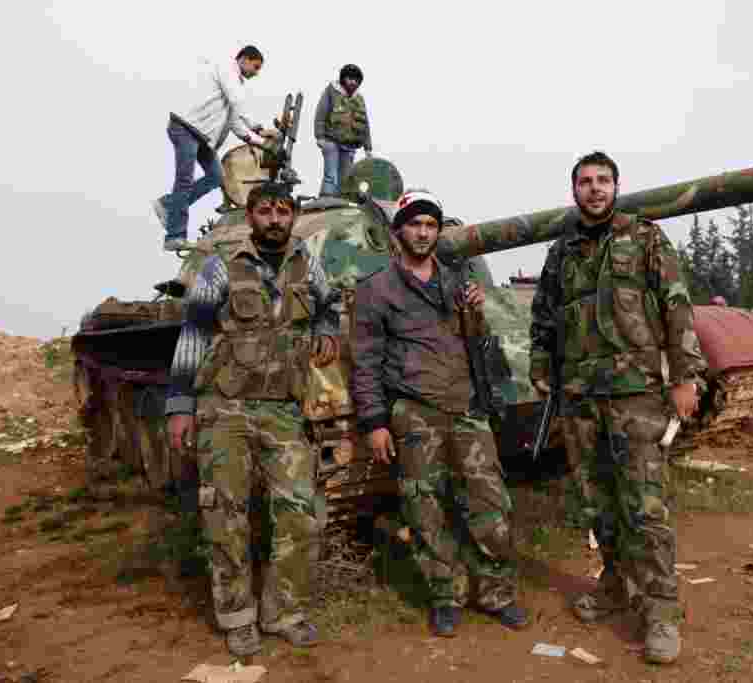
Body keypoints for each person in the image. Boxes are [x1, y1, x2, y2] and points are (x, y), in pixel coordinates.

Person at [529, 152, 708, 665]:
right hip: (581, 397)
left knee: (645, 506)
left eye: (602, 180)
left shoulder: (646, 238)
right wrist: (540, 366)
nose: (594, 189)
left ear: (616, 187)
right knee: (596, 501)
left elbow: (676, 306)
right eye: (585, 181)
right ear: (574, 190)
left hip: (636, 394)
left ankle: (660, 612)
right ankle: (614, 583)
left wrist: (686, 376)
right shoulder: (561, 253)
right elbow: (544, 317)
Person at [165, 182, 342, 656]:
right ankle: (237, 615)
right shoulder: (222, 265)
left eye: (283, 211)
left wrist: (327, 329)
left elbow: (330, 304)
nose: (275, 220)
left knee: (299, 511)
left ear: (294, 216)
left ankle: (282, 611)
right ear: (250, 216)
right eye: (266, 211)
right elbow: (194, 332)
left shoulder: (308, 263)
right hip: (226, 407)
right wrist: (180, 403)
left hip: (283, 408)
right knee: (226, 514)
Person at [350, 189, 529, 638]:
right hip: (415, 411)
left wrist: (477, 313)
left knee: (491, 504)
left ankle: (496, 592)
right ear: (399, 231)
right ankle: (446, 594)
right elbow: (365, 361)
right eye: (415, 224)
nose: (423, 232)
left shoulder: (456, 282)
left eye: (431, 225)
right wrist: (374, 422)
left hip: (465, 407)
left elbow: (478, 345)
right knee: (425, 510)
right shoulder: (376, 289)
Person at [153, 45, 278, 252]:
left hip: (201, 136)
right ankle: (175, 236)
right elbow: (237, 106)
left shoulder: (235, 83)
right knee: (184, 180)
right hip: (185, 128)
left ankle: (168, 205)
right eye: (255, 67)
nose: (256, 73)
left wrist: (261, 138)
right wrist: (259, 132)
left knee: (217, 176)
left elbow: (236, 121)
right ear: (244, 59)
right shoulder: (227, 70)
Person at [313, 64, 373, 197]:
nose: (353, 82)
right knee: (331, 174)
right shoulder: (331, 91)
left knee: (346, 176)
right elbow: (321, 113)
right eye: (350, 78)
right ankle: (327, 198)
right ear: (343, 79)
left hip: (350, 145)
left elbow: (365, 125)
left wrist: (368, 148)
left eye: (356, 80)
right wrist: (320, 137)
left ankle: (343, 201)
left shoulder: (359, 99)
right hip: (331, 141)